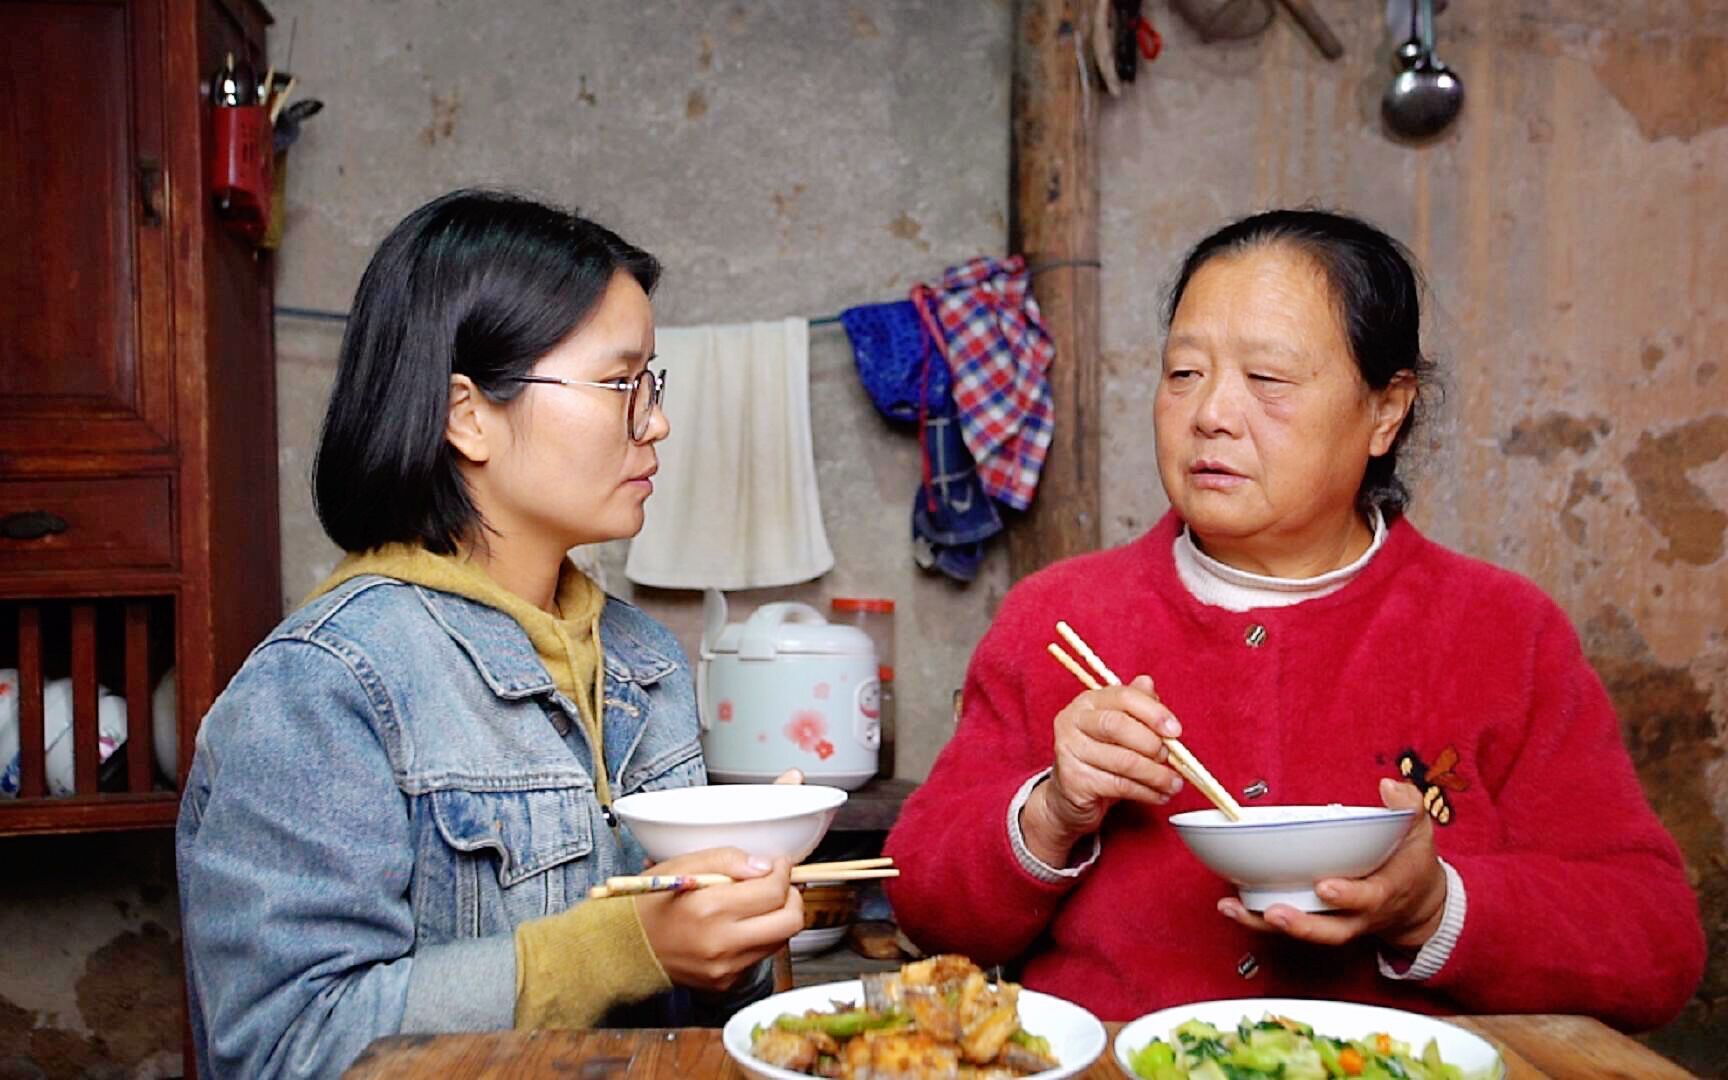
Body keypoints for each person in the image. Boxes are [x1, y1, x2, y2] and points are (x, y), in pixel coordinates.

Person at [884, 209, 1705, 1031]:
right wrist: (1052, 811)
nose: (1210, 414)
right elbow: (924, 903)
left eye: (1268, 379)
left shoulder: (1501, 631)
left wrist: (1432, 907)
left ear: (1386, 411)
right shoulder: (1060, 620)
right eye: (1183, 374)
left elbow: (1654, 947)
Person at [178, 190, 803, 1078]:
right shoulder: (324, 688)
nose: (655, 420)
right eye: (621, 383)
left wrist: (747, 900)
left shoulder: (645, 663)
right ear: (465, 414)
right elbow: (284, 1048)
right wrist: (624, 949)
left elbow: (701, 1015)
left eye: (651, 384)